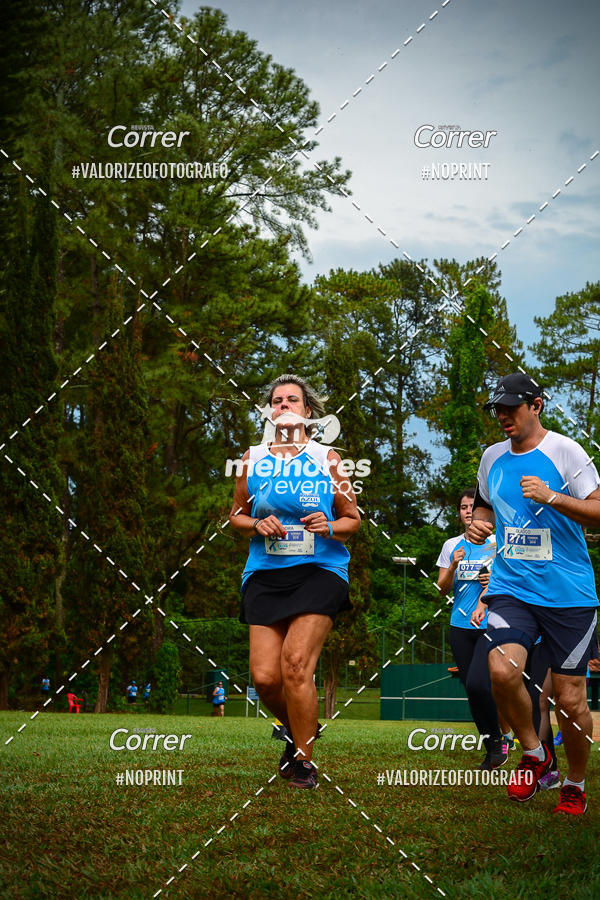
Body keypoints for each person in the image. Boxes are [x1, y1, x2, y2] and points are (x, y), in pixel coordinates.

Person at [467, 372, 600, 815]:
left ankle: (575, 783)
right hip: (512, 585)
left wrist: (552, 498)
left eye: (511, 408)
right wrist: (479, 521)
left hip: (569, 593)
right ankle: (535, 754)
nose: (503, 416)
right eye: (498, 410)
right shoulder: (492, 457)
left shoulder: (565, 451)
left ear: (536, 405)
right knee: (500, 671)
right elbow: (486, 502)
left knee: (570, 699)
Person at [229, 374, 361, 789]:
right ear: (271, 411)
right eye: (277, 400)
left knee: (295, 665)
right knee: (265, 677)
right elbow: (235, 516)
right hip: (265, 574)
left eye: (292, 400)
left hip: (320, 571)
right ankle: (298, 728)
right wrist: (256, 522)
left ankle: (302, 760)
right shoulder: (251, 459)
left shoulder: (328, 459)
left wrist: (328, 524)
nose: (284, 405)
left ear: (307, 411)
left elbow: (352, 519)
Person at [437, 489, 507, 769]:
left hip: (490, 623)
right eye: (464, 507)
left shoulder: (496, 543)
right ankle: (493, 747)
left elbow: (503, 583)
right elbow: (441, 589)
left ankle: (503, 739)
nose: (468, 511)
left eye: (472, 506)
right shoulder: (451, 545)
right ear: (459, 513)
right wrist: (453, 564)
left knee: (481, 683)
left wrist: (487, 592)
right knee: (472, 688)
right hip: (459, 625)